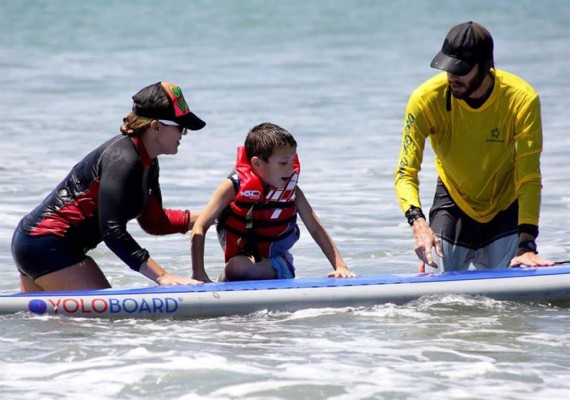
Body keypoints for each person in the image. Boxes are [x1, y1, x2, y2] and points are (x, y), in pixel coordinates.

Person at [12, 81, 206, 292]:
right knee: (108, 321)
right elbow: (112, 231)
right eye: (181, 127)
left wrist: (214, 214)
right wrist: (162, 276)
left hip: (37, 245)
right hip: (47, 244)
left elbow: (155, 221)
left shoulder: (148, 162)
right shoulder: (122, 159)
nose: (183, 135)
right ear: (156, 126)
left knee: (56, 325)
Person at [394, 21, 553, 272]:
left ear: (485, 66)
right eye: (448, 68)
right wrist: (419, 225)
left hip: (505, 204)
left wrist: (527, 244)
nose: (452, 77)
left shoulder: (522, 99)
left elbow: (529, 177)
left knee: (514, 306)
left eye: (461, 70)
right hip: (453, 203)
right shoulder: (424, 101)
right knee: (436, 298)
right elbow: (405, 172)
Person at [191, 122, 354, 282]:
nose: (291, 169)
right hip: (241, 263)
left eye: (292, 161)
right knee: (235, 266)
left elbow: (316, 229)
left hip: (278, 265)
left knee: (236, 267)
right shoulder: (232, 187)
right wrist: (199, 273)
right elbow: (200, 226)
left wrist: (340, 266)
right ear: (257, 163)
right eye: (283, 163)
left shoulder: (293, 193)